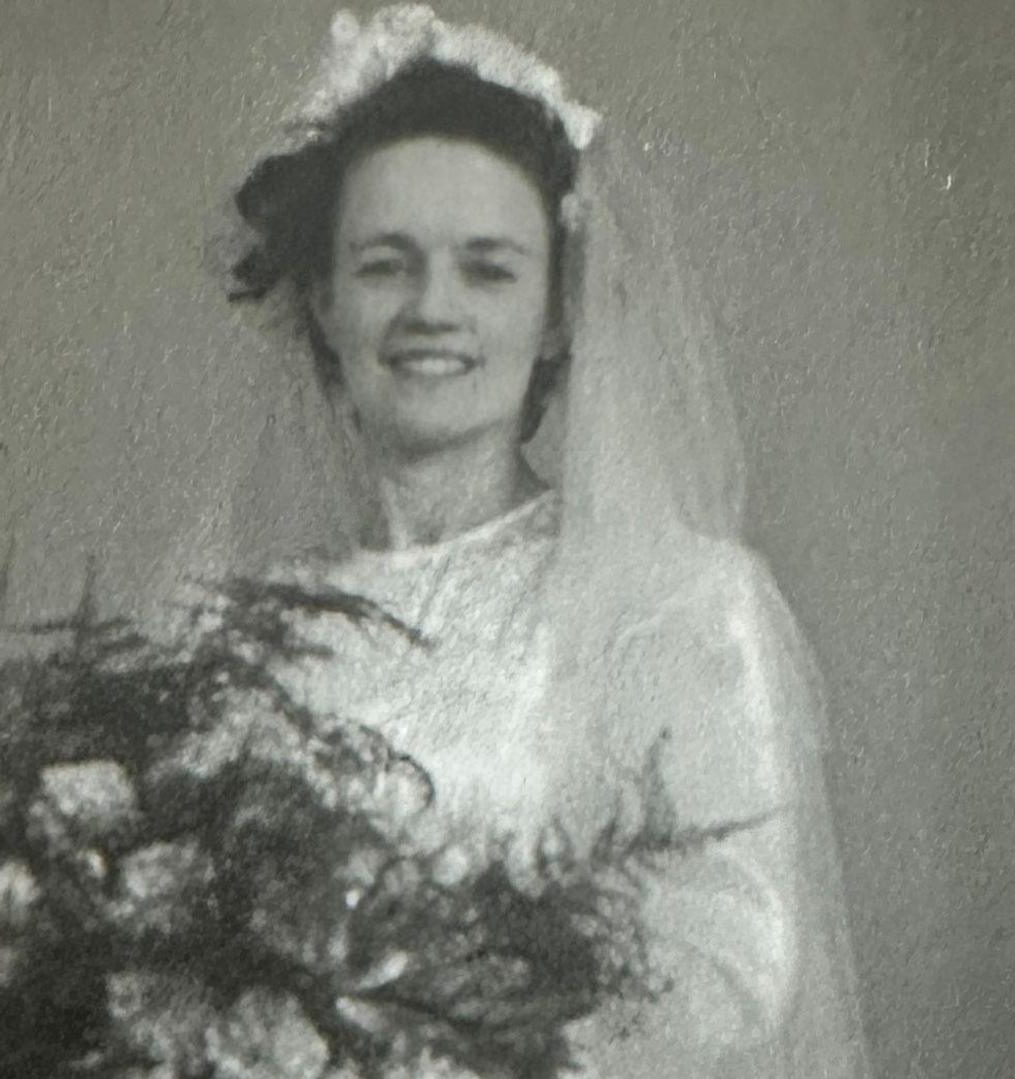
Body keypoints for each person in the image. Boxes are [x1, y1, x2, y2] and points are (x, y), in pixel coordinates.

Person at [191, 7, 872, 1076]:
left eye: (489, 268)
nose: (432, 309)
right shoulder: (229, 632)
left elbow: (726, 983)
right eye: (384, 265)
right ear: (323, 300)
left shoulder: (679, 606)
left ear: (558, 312)